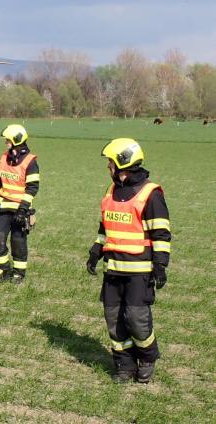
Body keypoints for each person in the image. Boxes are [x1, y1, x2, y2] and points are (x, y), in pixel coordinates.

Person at [86, 138, 170, 384]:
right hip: (112, 269)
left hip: (139, 272)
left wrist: (161, 265)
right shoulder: (111, 190)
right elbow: (106, 226)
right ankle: (124, 365)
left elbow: (161, 233)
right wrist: (96, 249)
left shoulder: (150, 194)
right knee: (113, 319)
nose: (108, 167)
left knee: (136, 319)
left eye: (110, 162)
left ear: (123, 163)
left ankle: (147, 358)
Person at [0, 124, 39, 284]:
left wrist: (23, 209)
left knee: (18, 242)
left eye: (8, 140)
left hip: (20, 210)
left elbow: (32, 188)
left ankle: (19, 272)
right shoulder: (4, 157)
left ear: (16, 140)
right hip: (3, 208)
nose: (6, 142)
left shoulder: (30, 161)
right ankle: (3, 269)